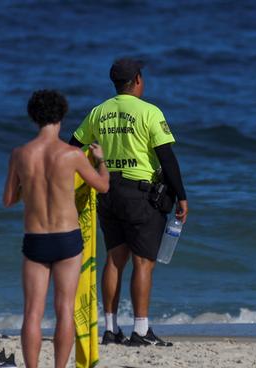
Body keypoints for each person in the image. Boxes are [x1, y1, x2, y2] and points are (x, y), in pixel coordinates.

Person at [69, 58, 188, 346]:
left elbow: (72, 146)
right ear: (136, 80)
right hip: (141, 194)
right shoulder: (149, 112)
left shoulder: (99, 112)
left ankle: (110, 329)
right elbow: (166, 158)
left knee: (114, 260)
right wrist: (182, 196)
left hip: (108, 191)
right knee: (143, 262)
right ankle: (141, 331)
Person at [3, 90, 109, 368]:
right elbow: (102, 187)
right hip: (67, 239)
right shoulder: (72, 154)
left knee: (32, 312)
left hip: (35, 239)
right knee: (64, 309)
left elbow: (8, 199)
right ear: (61, 118)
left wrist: (29, 185)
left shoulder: (20, 154)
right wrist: (101, 161)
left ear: (33, 118)